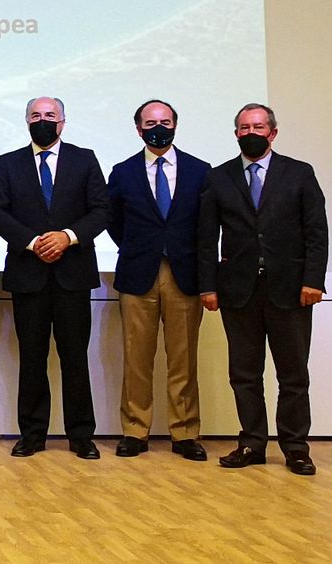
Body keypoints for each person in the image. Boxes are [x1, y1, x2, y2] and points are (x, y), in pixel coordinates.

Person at [198, 102, 327, 476]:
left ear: (272, 132)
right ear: (235, 133)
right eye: (243, 127)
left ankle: (295, 448)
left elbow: (317, 232)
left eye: (258, 127)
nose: (250, 133)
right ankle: (252, 443)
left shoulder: (299, 173)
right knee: (244, 374)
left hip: (291, 290)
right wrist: (208, 286)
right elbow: (206, 239)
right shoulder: (218, 178)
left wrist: (313, 281)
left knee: (293, 375)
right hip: (238, 292)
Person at [0, 96, 109, 460]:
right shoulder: (9, 163)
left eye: (50, 116)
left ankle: (81, 435)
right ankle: (33, 434)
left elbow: (102, 210)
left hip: (73, 274)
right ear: (26, 122)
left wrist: (67, 237)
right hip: (29, 275)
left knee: (75, 358)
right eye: (36, 116)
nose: (43, 121)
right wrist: (31, 241)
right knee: (32, 358)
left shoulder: (84, 159)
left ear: (63, 122)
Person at [106, 99, 210, 461]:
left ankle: (184, 432)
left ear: (176, 126)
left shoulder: (201, 171)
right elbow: (113, 221)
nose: (158, 128)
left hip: (185, 274)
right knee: (137, 357)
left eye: (165, 122)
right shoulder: (122, 172)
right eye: (151, 122)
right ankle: (136, 429)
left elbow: (206, 226)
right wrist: (141, 248)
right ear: (138, 129)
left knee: (183, 359)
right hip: (138, 273)